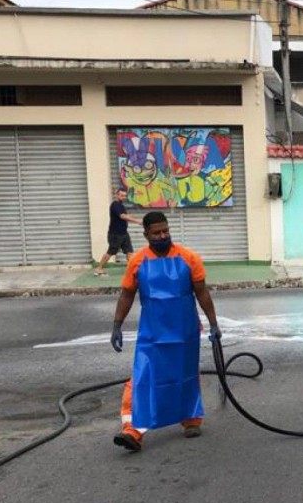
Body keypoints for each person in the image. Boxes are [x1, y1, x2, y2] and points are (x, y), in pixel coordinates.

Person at [109, 211, 221, 452]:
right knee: (142, 378)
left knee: (185, 374)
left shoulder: (188, 258)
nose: (162, 236)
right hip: (152, 333)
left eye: (165, 231)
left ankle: (190, 418)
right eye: (157, 233)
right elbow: (127, 294)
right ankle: (133, 430)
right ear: (146, 235)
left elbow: (202, 292)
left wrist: (213, 324)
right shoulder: (137, 261)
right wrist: (117, 325)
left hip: (184, 332)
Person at [94, 188, 141, 276]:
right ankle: (99, 268)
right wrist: (137, 221)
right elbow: (122, 216)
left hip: (124, 233)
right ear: (117, 195)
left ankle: (132, 270)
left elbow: (124, 216)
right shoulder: (115, 205)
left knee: (129, 252)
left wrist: (131, 216)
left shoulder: (121, 205)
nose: (123, 197)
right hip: (115, 234)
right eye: (121, 195)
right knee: (110, 252)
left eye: (125, 196)